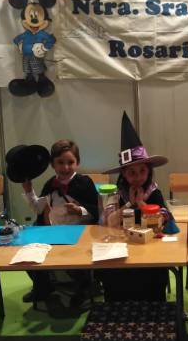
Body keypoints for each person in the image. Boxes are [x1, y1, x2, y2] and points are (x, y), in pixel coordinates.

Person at [97, 112, 172, 302]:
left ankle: (152, 310)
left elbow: (165, 220)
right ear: (123, 174)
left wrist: (142, 204)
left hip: (150, 248)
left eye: (142, 171)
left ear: (149, 171)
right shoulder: (117, 193)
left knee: (154, 275)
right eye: (132, 172)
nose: (138, 177)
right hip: (122, 247)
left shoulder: (154, 192)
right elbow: (107, 222)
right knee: (112, 274)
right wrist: (129, 204)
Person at [21, 140, 98, 317]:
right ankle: (44, 289)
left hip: (79, 235)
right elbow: (38, 208)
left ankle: (82, 291)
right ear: (52, 164)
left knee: (77, 264)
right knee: (29, 256)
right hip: (53, 233)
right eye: (60, 162)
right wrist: (28, 190)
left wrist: (80, 210)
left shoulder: (84, 182)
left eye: (70, 162)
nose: (65, 167)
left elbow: (96, 211)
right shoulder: (50, 184)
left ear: (77, 162)